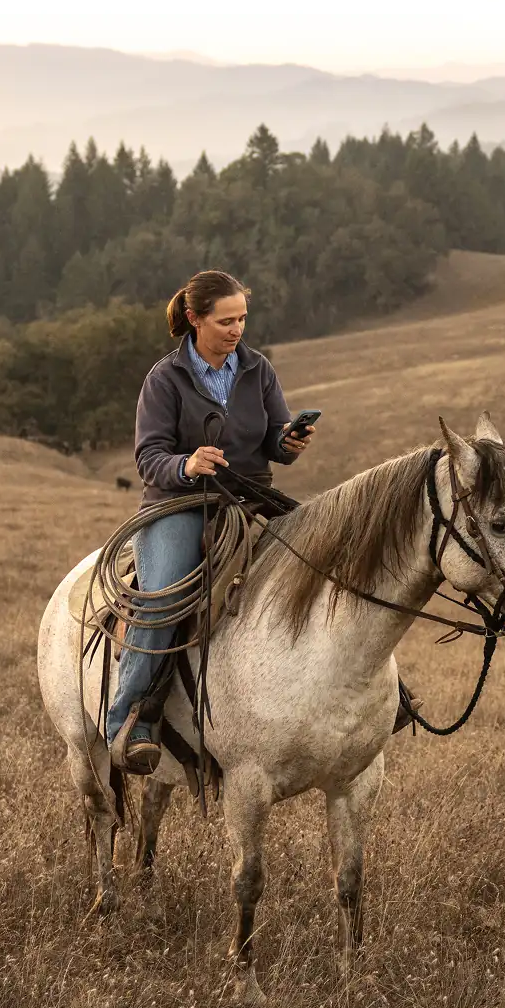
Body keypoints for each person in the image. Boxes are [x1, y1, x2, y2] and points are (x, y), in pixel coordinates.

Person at [107, 269, 315, 773]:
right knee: (166, 599)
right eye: (226, 320)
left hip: (249, 500)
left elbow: (271, 436)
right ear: (195, 319)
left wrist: (286, 443)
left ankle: (384, 697)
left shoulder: (258, 368)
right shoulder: (165, 377)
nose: (236, 329)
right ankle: (131, 719)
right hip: (179, 504)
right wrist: (187, 464)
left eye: (242, 318)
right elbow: (149, 455)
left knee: (323, 561)